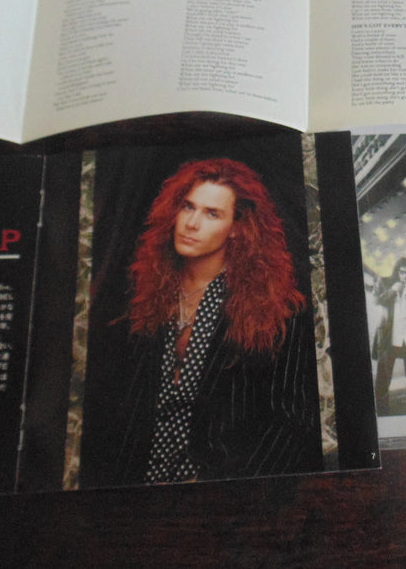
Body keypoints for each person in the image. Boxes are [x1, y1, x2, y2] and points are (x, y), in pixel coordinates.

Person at [86, 158, 320, 485]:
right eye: (187, 207)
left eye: (212, 214)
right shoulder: (141, 294)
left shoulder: (276, 309)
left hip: (223, 491)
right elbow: (112, 406)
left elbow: (291, 423)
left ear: (238, 228)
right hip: (137, 485)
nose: (192, 223)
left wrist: (229, 493)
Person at [372, 257, 406, 415]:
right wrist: (392, 291)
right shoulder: (385, 281)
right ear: (396, 271)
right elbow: (377, 300)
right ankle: (382, 415)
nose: (404, 276)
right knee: (383, 380)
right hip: (390, 338)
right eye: (401, 272)